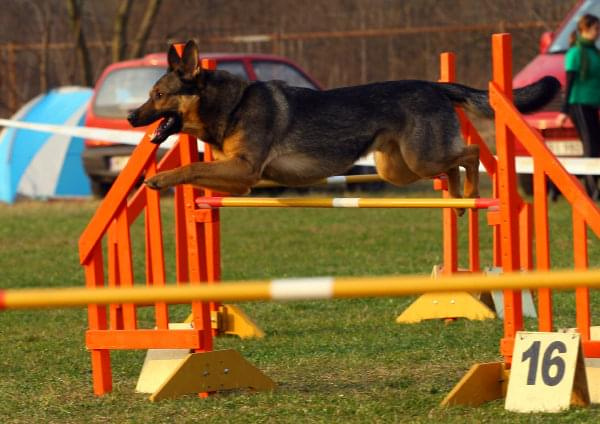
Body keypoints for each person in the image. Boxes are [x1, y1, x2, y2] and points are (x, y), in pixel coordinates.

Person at [557, 13, 600, 200]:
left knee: (597, 147)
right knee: (590, 147)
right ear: (584, 29)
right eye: (596, 29)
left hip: (592, 104)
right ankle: (592, 192)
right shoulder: (575, 53)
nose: (598, 33)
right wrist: (563, 111)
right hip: (579, 105)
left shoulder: (594, 52)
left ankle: (555, 185)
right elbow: (569, 82)